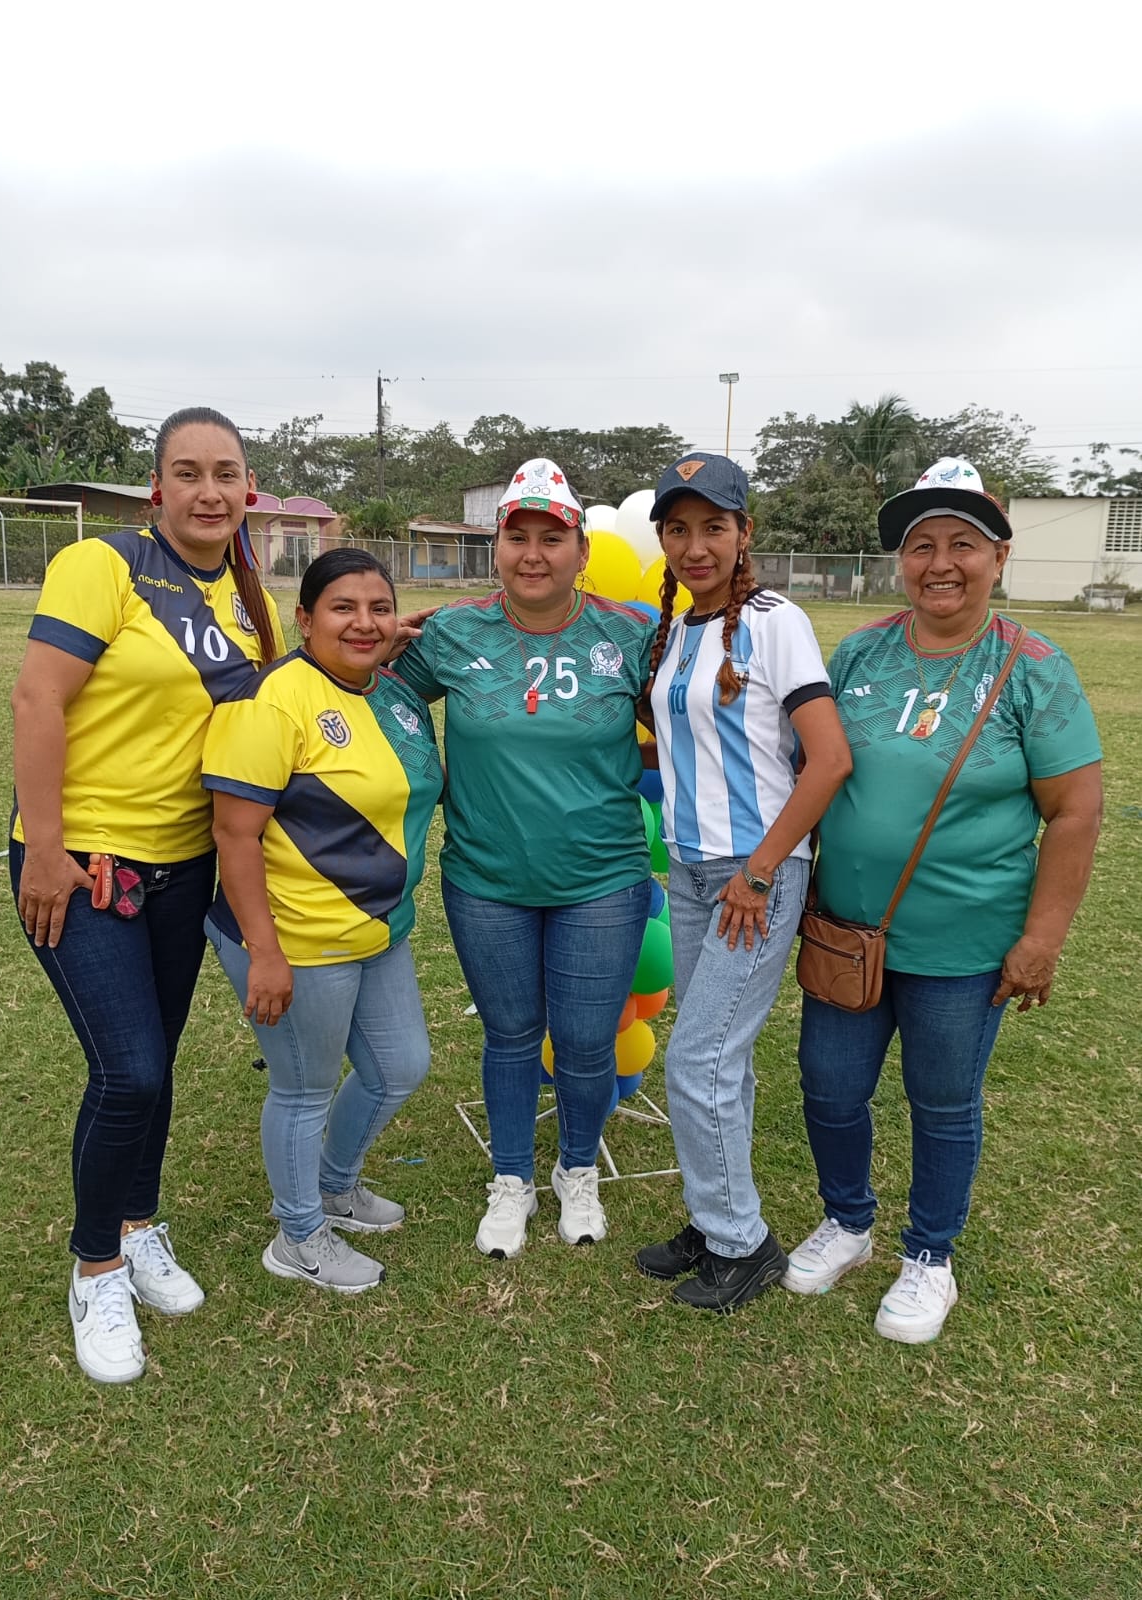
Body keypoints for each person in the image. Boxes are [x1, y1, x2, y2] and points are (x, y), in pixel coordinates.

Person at [784, 459, 1103, 1343]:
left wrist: (1042, 939)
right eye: (921, 545)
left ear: (999, 556)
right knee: (830, 1087)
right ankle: (848, 1221)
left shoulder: (1035, 669)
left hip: (965, 944)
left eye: (963, 544)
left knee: (942, 1100)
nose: (940, 563)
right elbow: (811, 763)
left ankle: (930, 1255)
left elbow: (1076, 812)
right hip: (849, 934)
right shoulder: (861, 652)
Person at [10, 407, 285, 1384]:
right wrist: (46, 851)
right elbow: (38, 697)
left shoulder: (252, 599)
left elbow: (279, 711)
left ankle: (137, 1226)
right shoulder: (105, 565)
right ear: (156, 487)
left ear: (248, 490)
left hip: (183, 868)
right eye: (188, 472)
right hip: (85, 865)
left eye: (226, 473)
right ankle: (96, 1270)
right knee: (126, 1071)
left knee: (156, 1065)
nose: (209, 491)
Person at [393, 459, 654, 1258]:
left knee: (585, 1040)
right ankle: (510, 1179)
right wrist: (370, 637)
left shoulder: (631, 634)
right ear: (496, 548)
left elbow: (692, 718)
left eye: (552, 538)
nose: (533, 554)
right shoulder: (452, 633)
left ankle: (577, 1168)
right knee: (510, 1035)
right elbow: (376, 695)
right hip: (487, 879)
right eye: (517, 537)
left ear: (582, 550)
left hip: (602, 878)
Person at [634, 454, 853, 1313]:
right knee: (719, 1060)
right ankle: (714, 1214)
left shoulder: (774, 620)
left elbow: (828, 759)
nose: (695, 546)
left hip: (752, 877)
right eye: (678, 529)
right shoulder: (677, 627)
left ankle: (742, 1244)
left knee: (699, 1059)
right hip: (693, 872)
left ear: (744, 532)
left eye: (713, 528)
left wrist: (759, 874)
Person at [202, 550, 444, 1294]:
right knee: (303, 1088)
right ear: (304, 619)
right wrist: (265, 953)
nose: (363, 623)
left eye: (379, 608)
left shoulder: (392, 693)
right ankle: (299, 1235)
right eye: (343, 608)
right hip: (296, 939)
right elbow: (235, 835)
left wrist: (380, 645)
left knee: (400, 1067)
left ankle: (335, 1187)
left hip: (378, 928)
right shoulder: (269, 701)